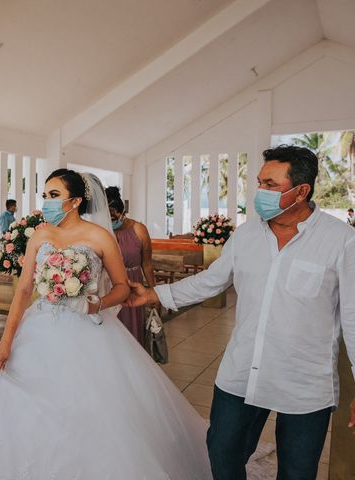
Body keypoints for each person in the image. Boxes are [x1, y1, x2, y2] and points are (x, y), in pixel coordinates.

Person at [0, 169, 212, 480]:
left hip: (86, 328)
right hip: (40, 325)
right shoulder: (41, 234)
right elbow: (25, 289)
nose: (46, 202)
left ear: (76, 201)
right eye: (44, 195)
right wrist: (6, 341)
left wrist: (96, 303)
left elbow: (121, 287)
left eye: (54, 196)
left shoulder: (99, 237)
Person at [126, 145, 355, 480]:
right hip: (243, 370)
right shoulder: (246, 234)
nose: (259, 191)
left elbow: (352, 316)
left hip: (305, 382)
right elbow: (212, 280)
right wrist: (154, 294)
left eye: (270, 185)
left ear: (301, 191)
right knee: (222, 452)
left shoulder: (341, 241)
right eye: (260, 182)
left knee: (298, 470)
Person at [106, 186, 155, 345]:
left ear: (122, 212)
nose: (112, 221)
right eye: (109, 218)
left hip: (133, 285)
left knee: (131, 331)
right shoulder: (102, 231)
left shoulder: (138, 229)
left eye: (115, 217)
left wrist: (154, 292)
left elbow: (147, 263)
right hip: (108, 285)